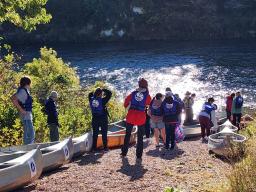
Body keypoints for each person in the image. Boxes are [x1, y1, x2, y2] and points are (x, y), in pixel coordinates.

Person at [121, 78, 151, 161]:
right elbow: (149, 104)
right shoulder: (147, 96)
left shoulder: (133, 93)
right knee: (140, 137)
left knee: (127, 135)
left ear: (138, 85)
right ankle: (138, 156)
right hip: (141, 117)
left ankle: (124, 153)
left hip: (131, 116)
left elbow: (125, 103)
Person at [11, 76, 35, 144]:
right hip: (26, 115)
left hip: (27, 114)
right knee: (30, 133)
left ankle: (27, 146)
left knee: (29, 132)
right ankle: (28, 147)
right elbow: (13, 99)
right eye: (29, 83)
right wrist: (21, 110)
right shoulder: (22, 91)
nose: (30, 85)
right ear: (27, 84)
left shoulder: (23, 90)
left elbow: (13, 97)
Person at [89, 87, 112, 152]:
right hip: (103, 119)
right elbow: (110, 93)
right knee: (104, 133)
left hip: (94, 118)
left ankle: (94, 148)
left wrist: (96, 91)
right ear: (100, 94)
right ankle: (105, 148)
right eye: (101, 93)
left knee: (95, 133)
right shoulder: (103, 101)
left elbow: (90, 94)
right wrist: (103, 89)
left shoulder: (90, 99)